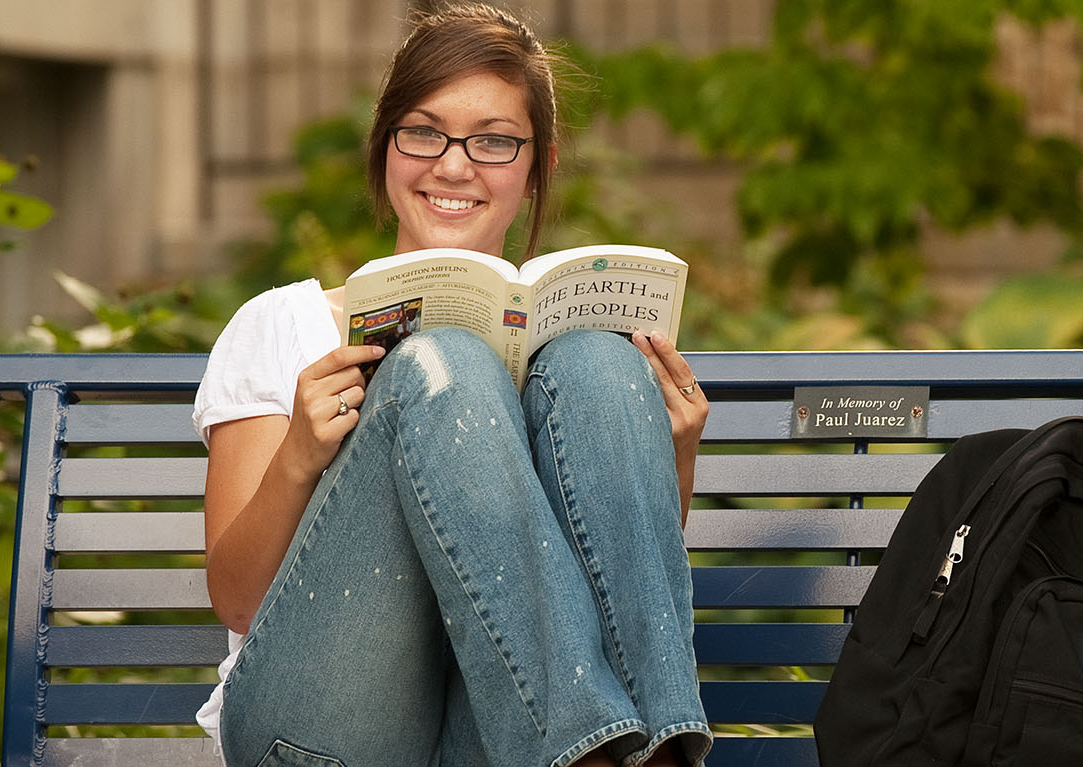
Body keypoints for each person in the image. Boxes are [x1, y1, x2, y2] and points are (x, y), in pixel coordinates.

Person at [189, 4, 712, 766]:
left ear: (539, 165)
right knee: (444, 363)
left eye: (495, 141)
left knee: (599, 360)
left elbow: (613, 587)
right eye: (424, 131)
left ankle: (643, 754)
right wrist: (300, 455)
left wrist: (677, 455)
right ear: (386, 144)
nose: (454, 165)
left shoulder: (563, 340)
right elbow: (235, 598)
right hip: (321, 728)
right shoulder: (282, 324)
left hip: (505, 738)